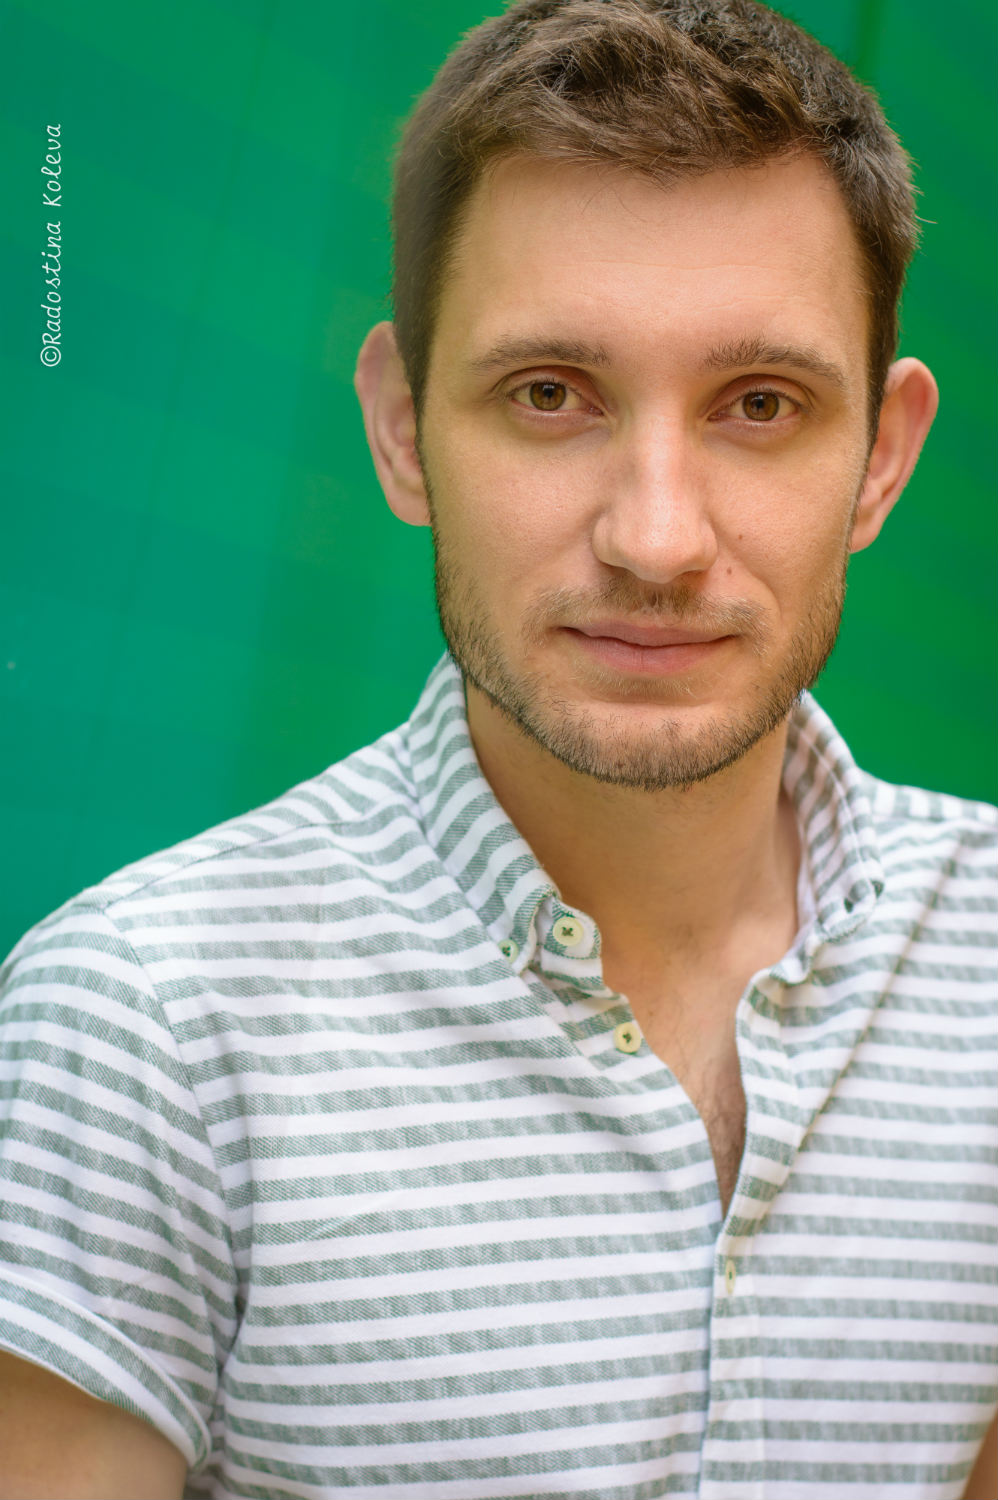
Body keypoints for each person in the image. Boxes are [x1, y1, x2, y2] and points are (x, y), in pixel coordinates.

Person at [1, 0, 995, 1495]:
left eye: (759, 404)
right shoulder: (141, 1022)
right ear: (404, 429)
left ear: (883, 457)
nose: (655, 538)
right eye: (549, 394)